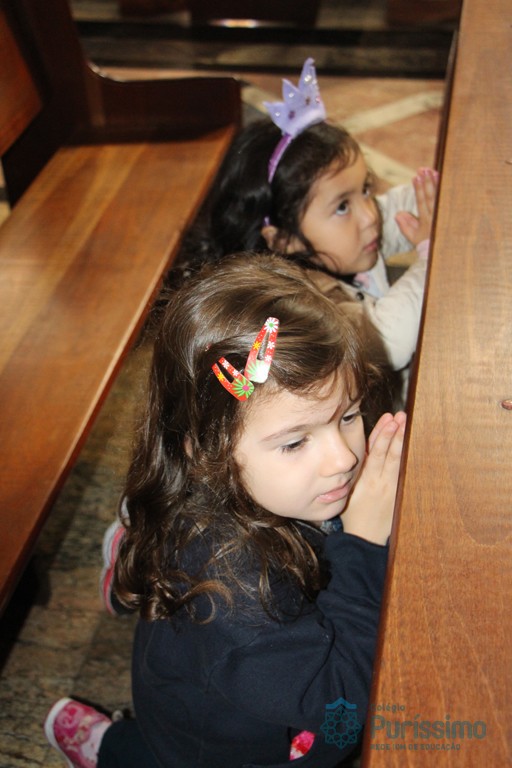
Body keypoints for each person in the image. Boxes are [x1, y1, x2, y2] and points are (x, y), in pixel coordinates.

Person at [44, 253, 406, 768]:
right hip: (216, 749)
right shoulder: (238, 603)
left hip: (221, 677)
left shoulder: (250, 488)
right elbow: (339, 705)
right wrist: (363, 546)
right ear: (206, 452)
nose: (344, 458)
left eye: (347, 416)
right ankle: (110, 747)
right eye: (295, 442)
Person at [189, 58, 438, 399]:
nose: (369, 215)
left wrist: (436, 191)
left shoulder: (347, 240)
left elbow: (399, 209)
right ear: (284, 240)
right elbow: (389, 340)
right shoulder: (305, 305)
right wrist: (431, 257)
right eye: (342, 206)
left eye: (365, 189)